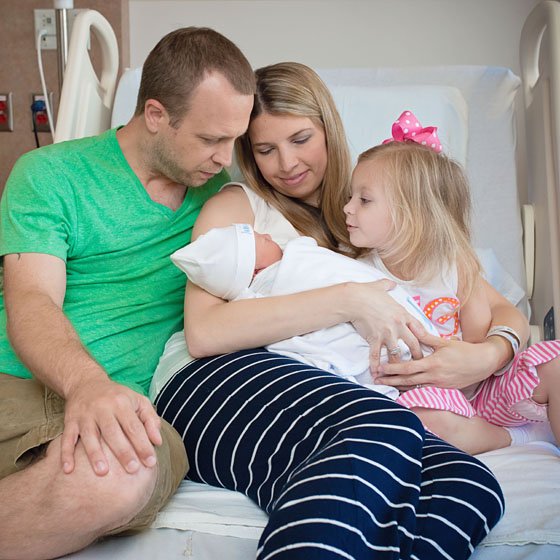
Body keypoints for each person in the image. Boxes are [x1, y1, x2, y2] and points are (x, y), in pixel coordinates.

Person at [152, 62, 522, 559]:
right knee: (384, 428)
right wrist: (350, 298)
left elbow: (499, 308)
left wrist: (489, 355)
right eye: (265, 149)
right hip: (215, 381)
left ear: (329, 128)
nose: (286, 163)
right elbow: (204, 334)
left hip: (322, 395)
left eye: (301, 139)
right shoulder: (238, 208)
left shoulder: (375, 205)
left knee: (469, 485)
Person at [0, 27, 255, 560]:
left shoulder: (223, 201)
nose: (225, 158)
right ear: (156, 114)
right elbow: (32, 300)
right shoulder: (51, 174)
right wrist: (87, 385)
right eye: (210, 139)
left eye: (234, 139)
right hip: (16, 385)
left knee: (122, 476)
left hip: (122, 409)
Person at [342, 110, 560, 454]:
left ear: (412, 213)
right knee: (423, 419)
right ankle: (518, 437)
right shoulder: (358, 274)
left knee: (556, 365)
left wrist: (473, 357)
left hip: (484, 389)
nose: (347, 208)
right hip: (425, 397)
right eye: (351, 197)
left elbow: (479, 339)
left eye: (364, 200)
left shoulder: (454, 266)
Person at [168, 221, 439, 394]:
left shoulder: (305, 255)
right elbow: (205, 335)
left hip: (411, 345)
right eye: (261, 240)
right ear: (255, 270)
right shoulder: (275, 279)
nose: (267, 234)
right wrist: (351, 299)